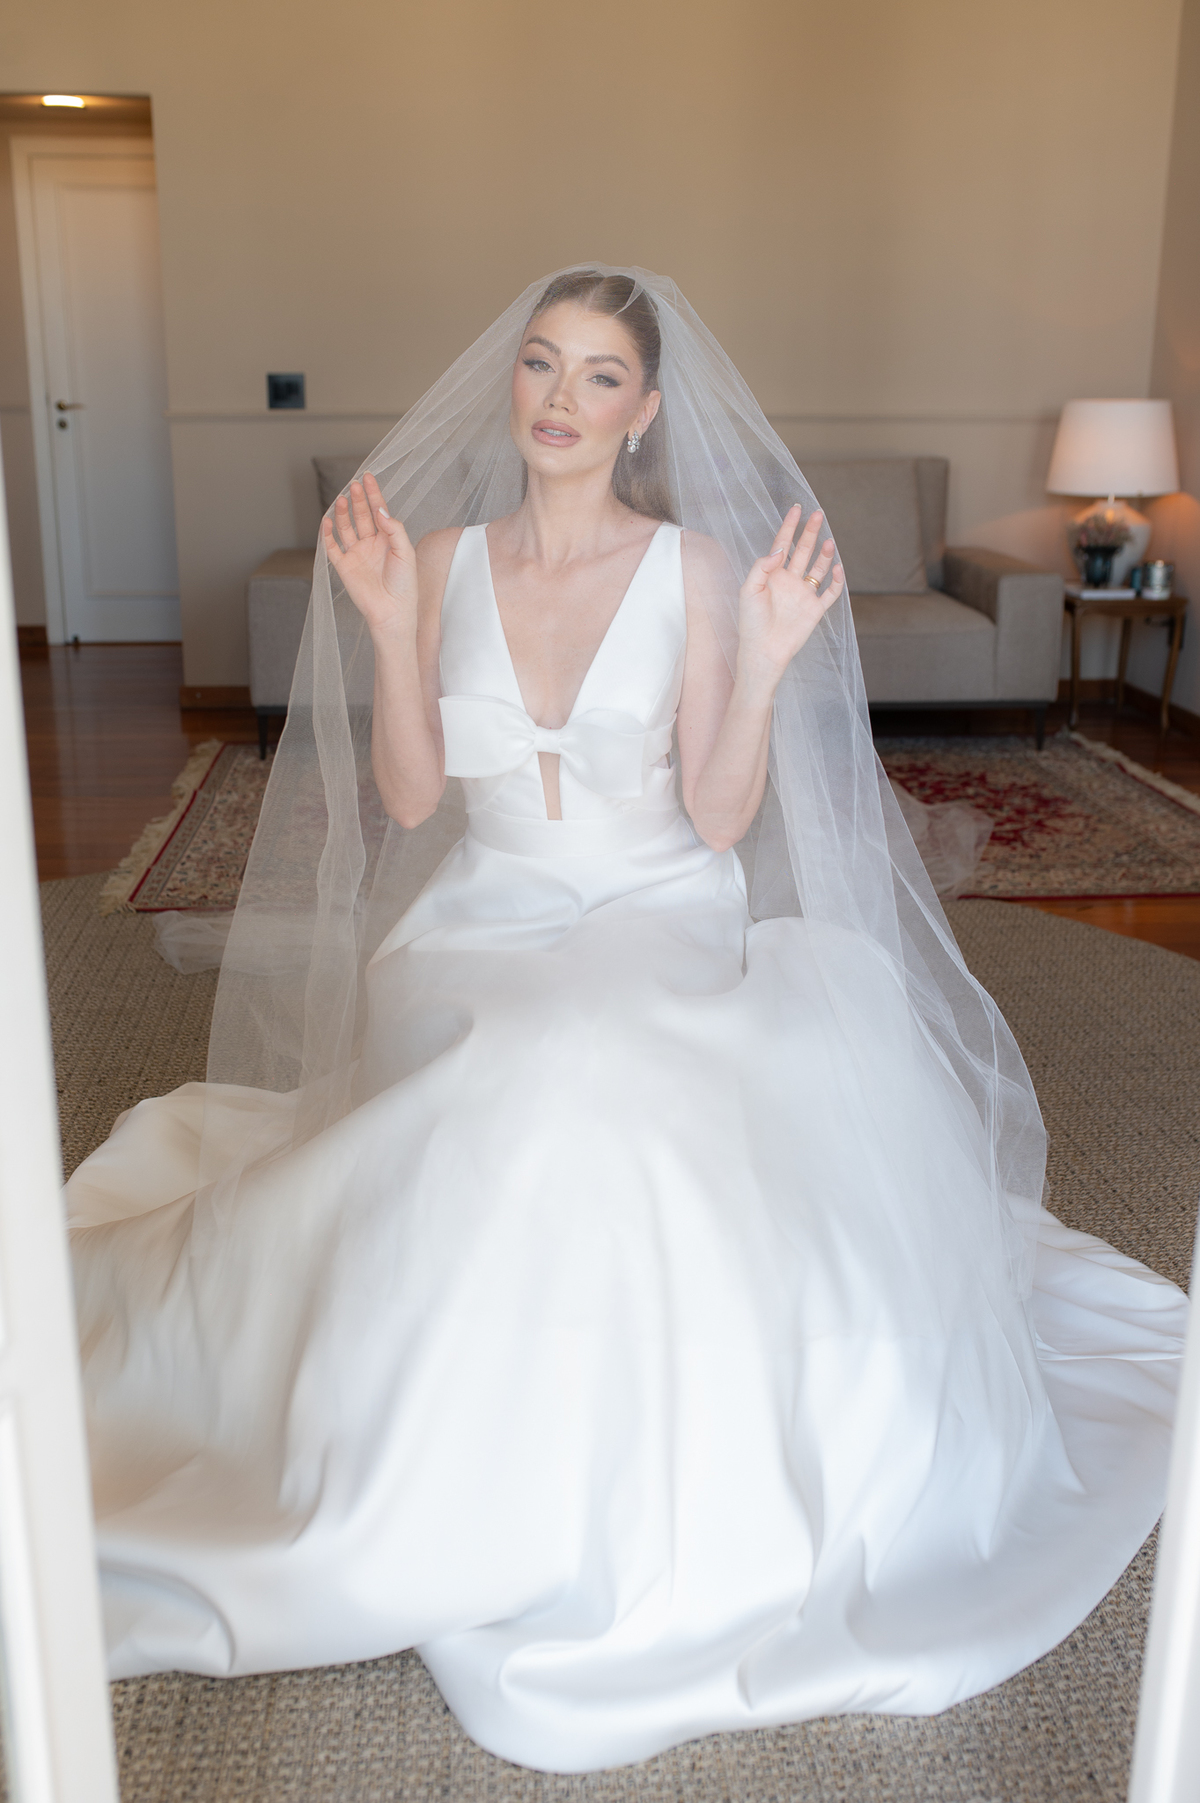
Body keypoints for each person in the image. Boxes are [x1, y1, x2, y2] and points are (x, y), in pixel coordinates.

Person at [67, 266, 1185, 1775]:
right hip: (483, 919)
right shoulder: (441, 559)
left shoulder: (698, 572)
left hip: (656, 907)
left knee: (591, 1061)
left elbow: (718, 820)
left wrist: (769, 660)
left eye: (599, 376)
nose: (562, 398)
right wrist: (388, 624)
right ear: (513, 382)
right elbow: (412, 798)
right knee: (522, 1057)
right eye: (542, 363)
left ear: (644, 410)